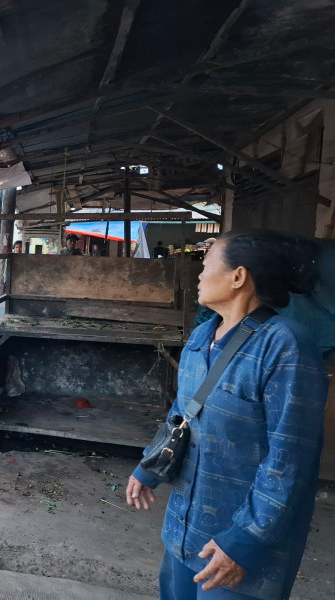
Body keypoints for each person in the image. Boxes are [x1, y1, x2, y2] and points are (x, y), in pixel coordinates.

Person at [126, 231, 328, 600]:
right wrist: (149, 468)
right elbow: (183, 413)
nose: (199, 275)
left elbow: (290, 459)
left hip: (238, 549)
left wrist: (245, 539)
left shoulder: (285, 346)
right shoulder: (203, 335)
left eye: (205, 266)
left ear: (238, 277)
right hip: (185, 532)